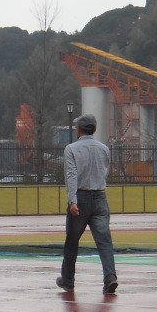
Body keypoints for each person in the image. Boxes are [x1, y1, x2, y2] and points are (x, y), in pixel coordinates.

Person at [57, 114, 118, 295]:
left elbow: (71, 175)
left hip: (81, 197)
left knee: (72, 242)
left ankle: (68, 280)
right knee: (104, 241)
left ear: (79, 129)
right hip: (100, 196)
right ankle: (110, 276)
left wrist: (72, 201)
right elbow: (105, 170)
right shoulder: (104, 148)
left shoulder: (72, 149)